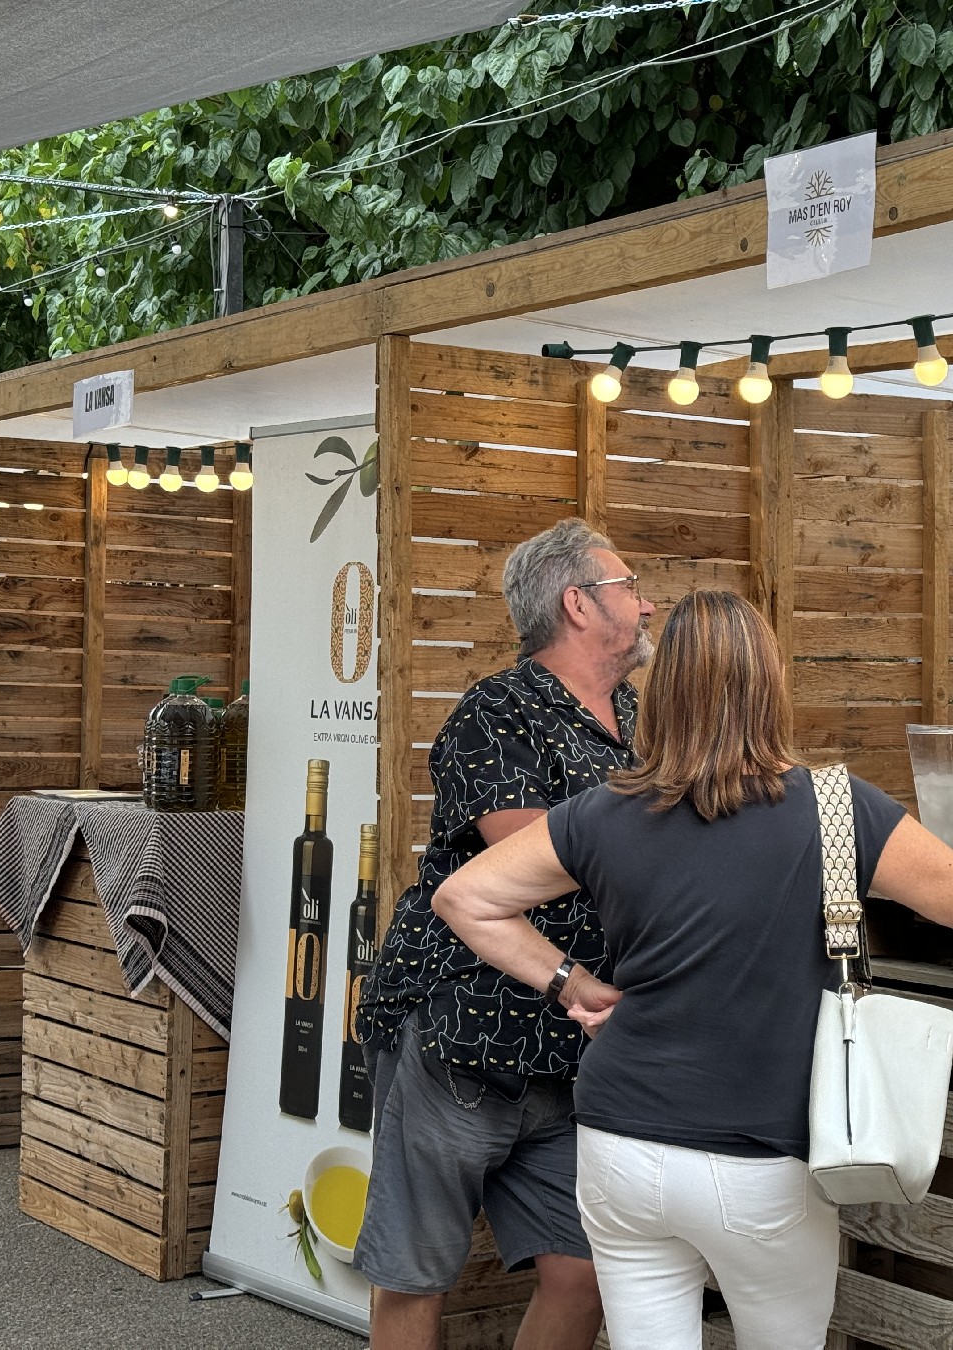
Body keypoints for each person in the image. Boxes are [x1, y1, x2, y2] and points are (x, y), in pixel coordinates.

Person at [432, 590, 953, 1350]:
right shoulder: (836, 808)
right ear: (771, 681)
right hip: (759, 1161)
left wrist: (572, 983)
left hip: (620, 1147)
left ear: (663, 690)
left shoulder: (602, 812)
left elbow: (465, 897)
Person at [353, 518, 653, 1350]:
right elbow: (529, 855)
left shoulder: (637, 716)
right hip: (463, 1032)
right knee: (414, 1275)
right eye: (630, 586)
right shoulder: (497, 712)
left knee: (585, 1274)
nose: (646, 603)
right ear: (579, 604)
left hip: (573, 1047)